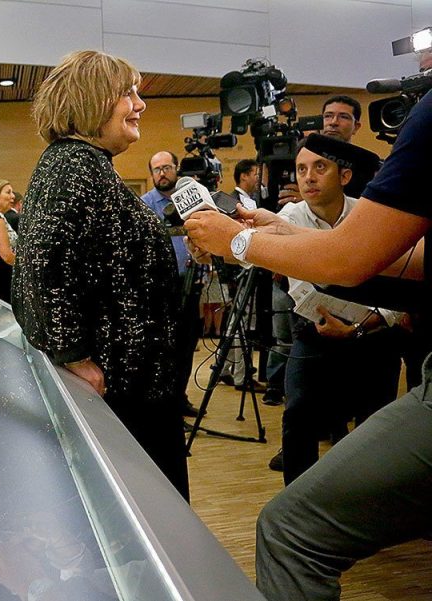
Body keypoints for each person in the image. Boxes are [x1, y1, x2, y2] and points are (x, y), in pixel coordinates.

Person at [184, 85, 432, 600]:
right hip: (322, 339)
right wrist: (274, 230)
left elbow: (349, 259)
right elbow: (398, 259)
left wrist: (236, 242)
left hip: (379, 345)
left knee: (288, 532)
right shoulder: (299, 216)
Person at [12, 50, 189, 500]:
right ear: (92, 100)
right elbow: (42, 267)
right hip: (120, 389)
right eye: (127, 93)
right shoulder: (73, 167)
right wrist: (75, 356)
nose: (140, 104)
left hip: (133, 385)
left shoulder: (85, 165)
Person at [270, 134, 403, 484]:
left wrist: (370, 322)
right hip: (316, 333)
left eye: (319, 167)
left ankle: (371, 505)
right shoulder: (289, 216)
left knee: (376, 424)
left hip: (373, 334)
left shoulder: (367, 215)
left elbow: (399, 283)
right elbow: (295, 283)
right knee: (297, 414)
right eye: (301, 169)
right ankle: (297, 506)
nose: (308, 177)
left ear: (344, 176)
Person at [141, 150, 203, 418]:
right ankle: (167, 403)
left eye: (167, 167)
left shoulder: (192, 201)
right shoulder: (144, 205)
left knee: (187, 345)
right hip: (160, 289)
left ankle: (180, 395)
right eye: (157, 169)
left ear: (177, 169)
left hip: (191, 281)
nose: (162, 173)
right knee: (167, 348)